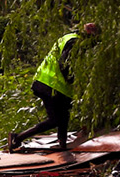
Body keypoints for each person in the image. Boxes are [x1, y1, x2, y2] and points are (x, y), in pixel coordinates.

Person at [9, 23, 99, 152]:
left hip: (51, 83)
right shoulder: (74, 42)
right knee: (55, 119)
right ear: (90, 35)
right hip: (51, 84)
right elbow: (64, 63)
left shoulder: (68, 37)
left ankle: (62, 144)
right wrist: (72, 80)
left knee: (63, 115)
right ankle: (17, 138)